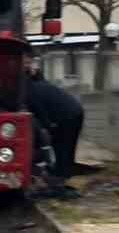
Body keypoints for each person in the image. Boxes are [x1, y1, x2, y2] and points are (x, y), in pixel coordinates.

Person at [26, 56, 85, 184]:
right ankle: (62, 172)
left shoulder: (30, 92)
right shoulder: (39, 85)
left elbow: (41, 113)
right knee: (64, 145)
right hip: (74, 111)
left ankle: (61, 175)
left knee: (63, 145)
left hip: (68, 115)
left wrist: (48, 128)